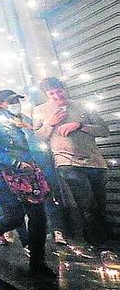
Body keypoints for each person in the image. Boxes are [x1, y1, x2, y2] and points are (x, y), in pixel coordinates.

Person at [0, 90, 54, 278]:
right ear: (1, 104)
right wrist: (14, 163)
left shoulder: (24, 122)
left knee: (39, 219)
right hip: (5, 178)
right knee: (15, 218)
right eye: (11, 101)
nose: (16, 103)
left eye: (17, 100)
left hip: (29, 176)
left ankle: (37, 262)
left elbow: (37, 143)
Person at [33, 77, 109, 246]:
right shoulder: (40, 110)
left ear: (64, 89)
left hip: (95, 161)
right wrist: (50, 124)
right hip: (66, 161)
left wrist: (80, 125)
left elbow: (105, 130)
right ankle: (100, 246)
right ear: (46, 94)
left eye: (58, 91)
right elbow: (38, 137)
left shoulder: (82, 106)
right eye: (51, 93)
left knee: (100, 205)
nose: (55, 95)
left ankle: (91, 239)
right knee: (87, 203)